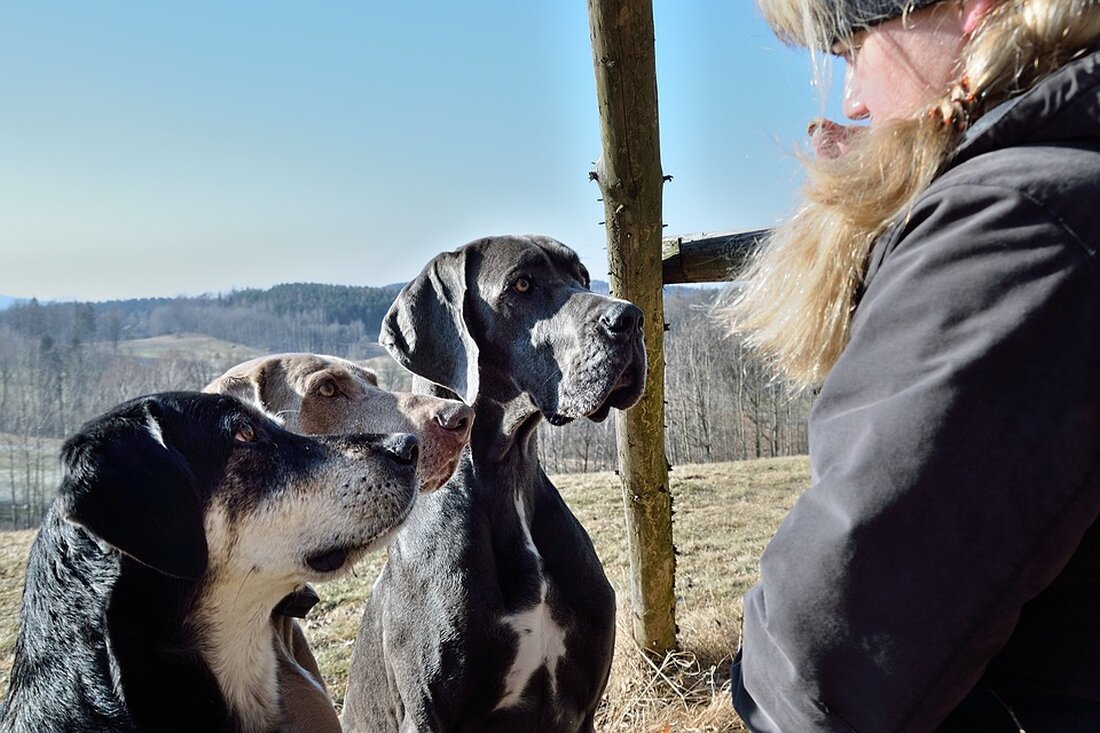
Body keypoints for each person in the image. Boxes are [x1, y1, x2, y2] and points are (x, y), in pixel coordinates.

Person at [722, 0, 1100, 730]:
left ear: (972, 11)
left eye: (854, 49)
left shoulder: (1022, 222)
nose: (856, 100)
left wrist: (753, 686)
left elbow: (822, 666)